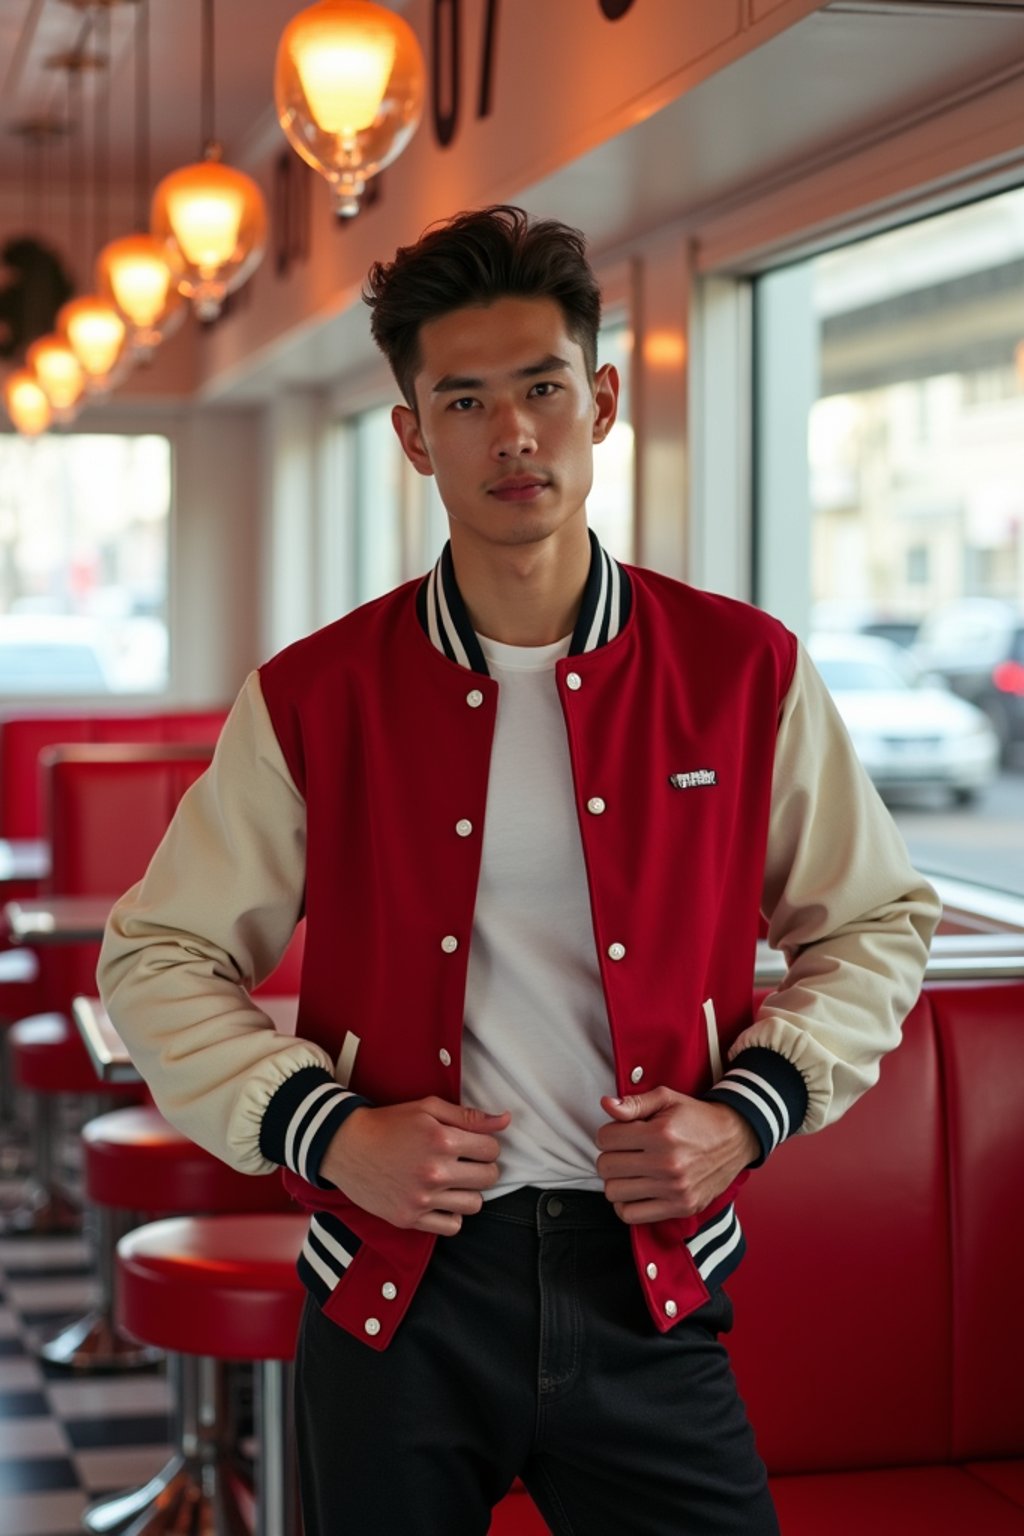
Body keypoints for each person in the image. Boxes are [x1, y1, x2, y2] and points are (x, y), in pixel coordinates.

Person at [99, 205, 941, 1536]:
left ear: (601, 401)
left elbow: (881, 922)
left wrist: (747, 1113)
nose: (515, 435)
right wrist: (324, 1132)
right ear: (413, 433)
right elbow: (156, 954)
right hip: (394, 1298)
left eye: (544, 388)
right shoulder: (316, 694)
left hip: (648, 1288)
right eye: (467, 400)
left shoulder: (743, 670)